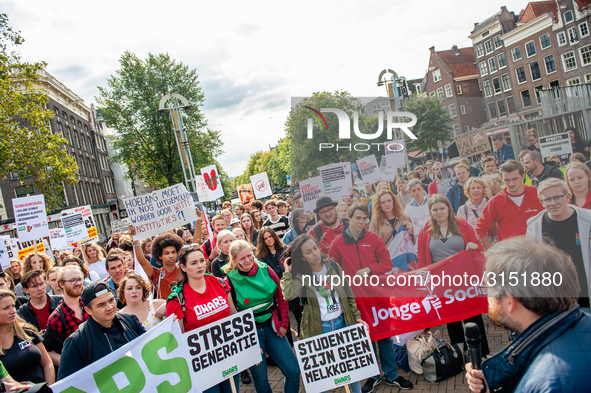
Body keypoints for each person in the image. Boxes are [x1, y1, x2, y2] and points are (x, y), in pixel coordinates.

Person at [466, 237, 591, 393]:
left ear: (511, 300)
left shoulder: (552, 383)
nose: (486, 295)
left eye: (487, 287)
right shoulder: (582, 322)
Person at [329, 203, 412, 391]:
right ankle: (373, 375)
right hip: (356, 301)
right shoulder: (337, 244)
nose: (361, 222)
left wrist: (369, 269)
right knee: (366, 337)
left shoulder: (373, 238)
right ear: (348, 218)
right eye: (357, 218)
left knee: (385, 335)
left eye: (364, 219)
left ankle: (391, 374)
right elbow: (333, 273)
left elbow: (387, 263)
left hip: (378, 296)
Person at [281, 234, 366, 393]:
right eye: (308, 252)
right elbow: (289, 295)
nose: (315, 254)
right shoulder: (301, 275)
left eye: (315, 248)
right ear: (303, 257)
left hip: (341, 323)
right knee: (322, 376)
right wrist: (288, 273)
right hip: (318, 329)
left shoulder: (334, 267)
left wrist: (356, 316)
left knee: (353, 368)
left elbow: (348, 294)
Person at [415, 195, 489, 358]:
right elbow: (421, 257)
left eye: (442, 208)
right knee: (452, 318)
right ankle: (459, 354)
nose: (439, 212)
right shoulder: (425, 230)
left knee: (473, 314)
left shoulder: (462, 224)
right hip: (441, 282)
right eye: (435, 210)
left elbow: (477, 246)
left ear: (449, 208)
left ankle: (481, 351)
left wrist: (473, 246)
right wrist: (424, 280)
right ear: (430, 212)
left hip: (464, 279)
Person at [223, 240, 300, 393]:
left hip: (272, 326)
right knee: (260, 377)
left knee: (293, 371)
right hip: (251, 332)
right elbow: (232, 314)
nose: (247, 260)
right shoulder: (229, 280)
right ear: (234, 260)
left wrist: (284, 322)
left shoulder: (265, 269)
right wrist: (247, 340)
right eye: (242, 258)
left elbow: (281, 295)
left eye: (250, 255)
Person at [166, 246, 242, 391]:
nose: (200, 265)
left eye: (202, 260)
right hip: (202, 365)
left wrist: (247, 344)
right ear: (183, 267)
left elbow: (233, 315)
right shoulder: (177, 299)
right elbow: (178, 340)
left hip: (228, 355)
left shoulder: (219, 283)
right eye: (193, 263)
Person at [58, 281, 145, 380]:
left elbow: (149, 352)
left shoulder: (131, 321)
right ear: (88, 310)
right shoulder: (77, 342)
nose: (109, 307)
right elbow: (67, 385)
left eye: (111, 300)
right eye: (101, 305)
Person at [526, 178, 591, 308]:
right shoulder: (534, 225)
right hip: (555, 297)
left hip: (584, 292)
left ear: (567, 196)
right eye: (547, 199)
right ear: (541, 202)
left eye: (557, 197)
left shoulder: (587, 219)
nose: (553, 203)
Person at [476, 160, 543, 249]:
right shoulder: (496, 201)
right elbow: (480, 227)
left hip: (537, 251)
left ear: (523, 176)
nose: (511, 183)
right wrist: (489, 253)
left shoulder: (537, 194)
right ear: (501, 178)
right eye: (507, 180)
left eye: (515, 179)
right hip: (511, 255)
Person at [0, 291, 54, 385]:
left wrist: (49, 388)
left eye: (13, 306)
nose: (13, 311)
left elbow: (47, 363)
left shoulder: (26, 331)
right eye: (6, 308)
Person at [43, 266, 87, 367]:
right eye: (72, 280)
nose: (78, 283)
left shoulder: (91, 304)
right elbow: (49, 351)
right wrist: (72, 365)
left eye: (79, 279)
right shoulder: (56, 318)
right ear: (61, 284)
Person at [131, 229, 183, 300]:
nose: (171, 256)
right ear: (159, 256)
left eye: (173, 252)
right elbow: (142, 261)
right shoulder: (156, 274)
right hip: (165, 310)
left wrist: (198, 222)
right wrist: (135, 241)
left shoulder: (183, 268)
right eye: (166, 253)